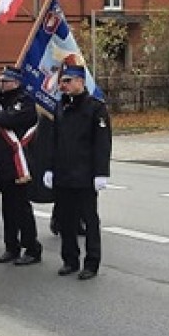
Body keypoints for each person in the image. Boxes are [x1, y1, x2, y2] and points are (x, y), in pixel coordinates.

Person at [43, 63, 111, 280]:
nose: (63, 85)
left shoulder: (95, 107)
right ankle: (69, 259)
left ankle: (91, 262)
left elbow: (102, 143)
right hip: (63, 173)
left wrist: (101, 172)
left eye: (68, 81)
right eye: (63, 81)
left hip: (85, 174)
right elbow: (54, 141)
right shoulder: (61, 106)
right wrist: (50, 168)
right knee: (66, 219)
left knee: (89, 220)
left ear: (81, 82)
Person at [0, 65, 43, 264]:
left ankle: (32, 248)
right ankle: (12, 246)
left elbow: (8, 120)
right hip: (4, 163)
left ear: (16, 82)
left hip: (20, 164)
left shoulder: (25, 102)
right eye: (0, 81)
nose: (1, 84)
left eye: (5, 81)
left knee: (21, 208)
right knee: (8, 208)